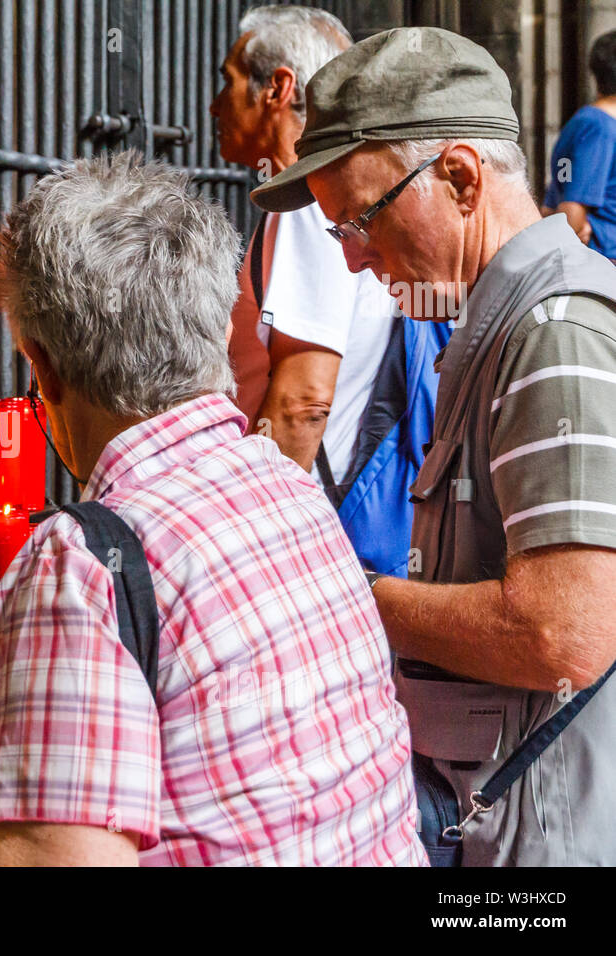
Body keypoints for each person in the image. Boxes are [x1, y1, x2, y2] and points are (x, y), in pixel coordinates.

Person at [0, 153, 426, 867]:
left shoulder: (88, 560)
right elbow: (85, 677)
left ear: (44, 369)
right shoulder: (287, 493)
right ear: (221, 330)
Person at [253, 26, 616, 866]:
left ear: (458, 176)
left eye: (362, 220)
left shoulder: (553, 330)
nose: (352, 260)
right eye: (339, 230)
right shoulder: (494, 322)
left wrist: (352, 596)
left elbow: (565, 630)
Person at [212, 4, 445, 576]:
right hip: (331, 508)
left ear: (278, 88)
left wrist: (260, 544)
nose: (216, 103)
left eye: (229, 80)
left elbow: (302, 400)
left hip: (312, 518)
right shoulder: (331, 196)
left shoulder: (309, 202)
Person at [541, 30, 616, 256]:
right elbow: (571, 208)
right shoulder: (599, 128)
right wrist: (573, 228)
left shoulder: (584, 122)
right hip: (604, 260)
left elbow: (561, 184)